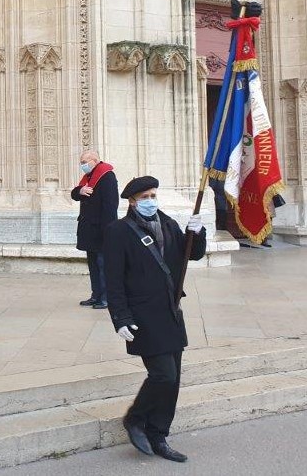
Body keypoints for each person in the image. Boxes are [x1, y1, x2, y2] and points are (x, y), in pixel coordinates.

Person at [104, 176, 206, 463]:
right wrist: (120, 318)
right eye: (145, 197)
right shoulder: (118, 231)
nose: (151, 201)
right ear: (133, 201)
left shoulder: (169, 224)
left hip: (171, 312)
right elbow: (112, 280)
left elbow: (191, 256)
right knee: (163, 374)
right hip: (143, 316)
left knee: (173, 380)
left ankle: (159, 434)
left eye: (153, 195)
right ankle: (135, 419)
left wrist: (196, 233)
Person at [71, 150, 119, 309]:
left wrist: (108, 230)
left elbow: (111, 206)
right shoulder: (88, 177)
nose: (82, 165)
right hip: (89, 230)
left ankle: (105, 298)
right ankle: (95, 295)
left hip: (102, 230)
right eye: (81, 162)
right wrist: (80, 191)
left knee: (103, 264)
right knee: (93, 264)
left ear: (95, 160)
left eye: (85, 161)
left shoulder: (106, 176)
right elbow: (74, 194)